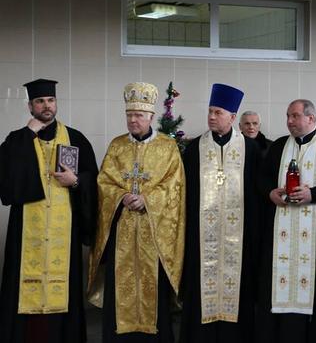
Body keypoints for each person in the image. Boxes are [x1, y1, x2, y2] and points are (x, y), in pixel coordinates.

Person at [0, 79, 98, 343]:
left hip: (63, 235)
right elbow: (6, 181)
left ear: (56, 103)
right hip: (26, 234)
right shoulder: (17, 140)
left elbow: (94, 180)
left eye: (50, 100)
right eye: (40, 101)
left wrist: (75, 181)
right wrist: (27, 135)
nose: (46, 106)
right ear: (30, 106)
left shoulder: (75, 138)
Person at [87, 82, 186, 343]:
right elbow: (104, 182)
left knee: (154, 289)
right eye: (130, 115)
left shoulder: (167, 147)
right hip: (123, 231)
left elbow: (174, 185)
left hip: (153, 235)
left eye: (139, 115)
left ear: (151, 117)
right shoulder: (117, 145)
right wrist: (121, 196)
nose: (133, 120)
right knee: (121, 287)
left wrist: (148, 199)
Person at [257, 99, 316, 343]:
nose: (289, 121)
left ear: (311, 118)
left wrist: (314, 194)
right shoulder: (279, 146)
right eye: (288, 116)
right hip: (281, 236)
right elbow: (262, 178)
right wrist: (270, 193)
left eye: (295, 116)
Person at [180, 84, 261, 343]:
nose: (212, 117)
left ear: (232, 117)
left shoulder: (251, 150)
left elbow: (259, 197)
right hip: (201, 241)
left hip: (240, 241)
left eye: (218, 112)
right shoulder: (193, 151)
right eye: (210, 112)